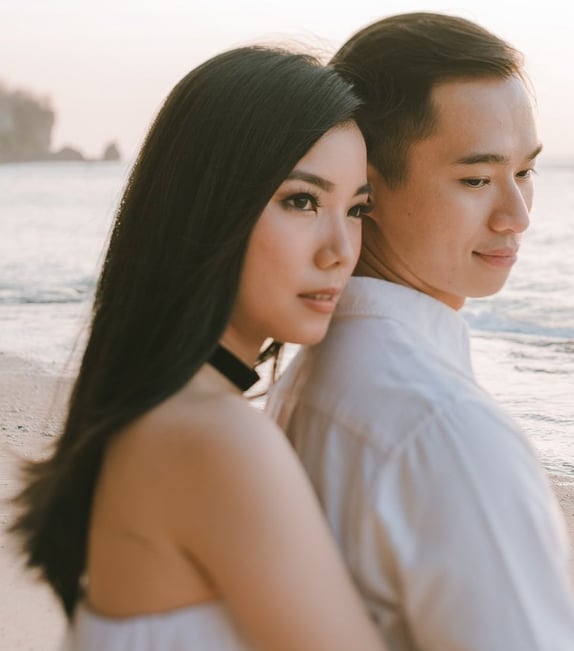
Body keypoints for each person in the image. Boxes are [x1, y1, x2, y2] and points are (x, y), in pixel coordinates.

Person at [10, 46, 387, 651]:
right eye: (301, 201)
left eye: (358, 208)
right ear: (211, 208)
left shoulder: (154, 408)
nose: (341, 249)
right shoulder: (212, 438)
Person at [267, 12, 574, 650]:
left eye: (525, 171)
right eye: (476, 179)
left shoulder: (313, 371)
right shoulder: (443, 429)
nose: (517, 216)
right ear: (369, 187)